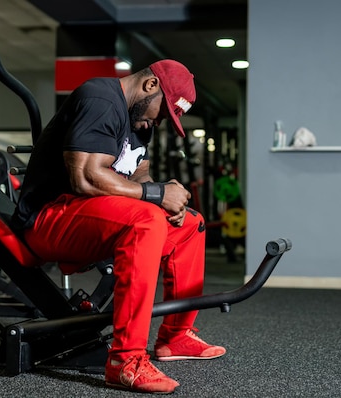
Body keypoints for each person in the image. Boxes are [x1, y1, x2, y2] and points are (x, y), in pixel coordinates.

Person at [11, 59, 225, 394]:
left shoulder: (141, 121)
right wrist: (156, 197)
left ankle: (176, 336)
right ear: (150, 86)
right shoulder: (100, 98)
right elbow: (85, 177)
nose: (159, 121)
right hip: (49, 217)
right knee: (147, 220)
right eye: (162, 112)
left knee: (190, 225)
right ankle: (125, 360)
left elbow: (138, 173)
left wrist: (162, 195)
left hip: (94, 212)